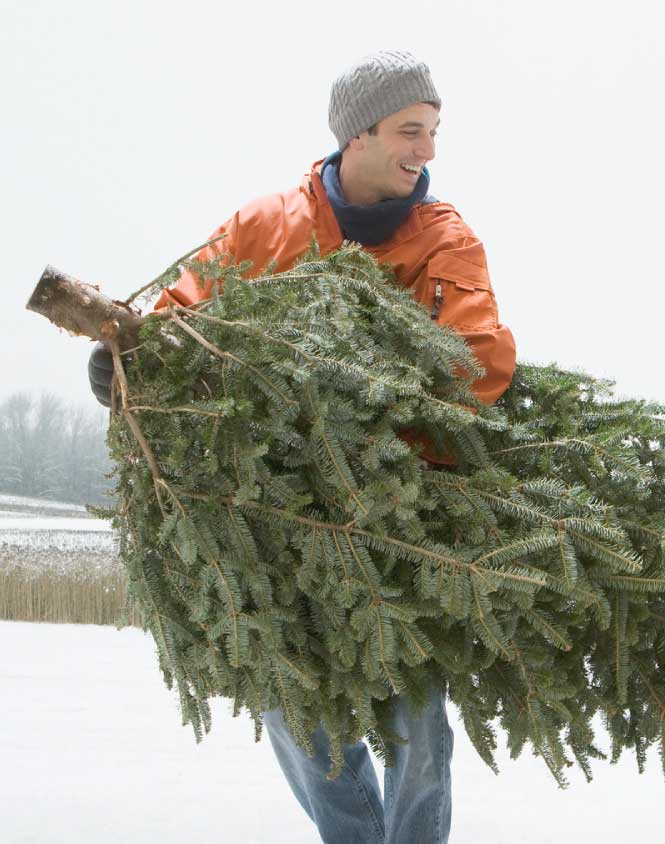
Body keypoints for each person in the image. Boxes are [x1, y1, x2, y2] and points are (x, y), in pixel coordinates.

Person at [85, 50, 515, 844]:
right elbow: (181, 311)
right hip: (272, 521)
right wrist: (128, 359)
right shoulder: (266, 225)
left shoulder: (445, 240)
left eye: (433, 132)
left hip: (400, 518)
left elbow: (476, 360)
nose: (426, 151)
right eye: (409, 131)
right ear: (356, 136)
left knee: (417, 728)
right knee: (299, 714)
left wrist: (365, 428)